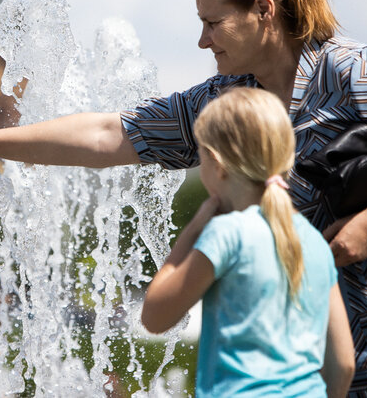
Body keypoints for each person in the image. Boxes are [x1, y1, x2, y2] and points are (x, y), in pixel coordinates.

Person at [0, 0, 367, 394]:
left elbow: (157, 312)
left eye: (213, 23)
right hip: (320, 369)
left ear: (265, 10)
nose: (203, 41)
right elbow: (110, 133)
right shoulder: (227, 99)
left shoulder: (357, 74)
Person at [140, 87, 355, 396]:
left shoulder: (228, 233)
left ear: (216, 163)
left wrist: (195, 227)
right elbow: (344, 364)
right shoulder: (313, 242)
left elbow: (155, 317)